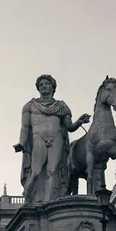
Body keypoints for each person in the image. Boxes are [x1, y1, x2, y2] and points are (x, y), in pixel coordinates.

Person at [14, 75, 90, 203]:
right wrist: (21, 143)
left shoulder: (61, 106)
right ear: (38, 88)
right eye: (41, 85)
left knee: (52, 171)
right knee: (36, 171)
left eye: (46, 84)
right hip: (38, 137)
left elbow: (69, 127)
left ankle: (48, 203)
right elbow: (25, 127)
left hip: (56, 138)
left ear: (53, 87)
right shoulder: (30, 106)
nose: (43, 86)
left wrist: (80, 121)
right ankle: (27, 200)